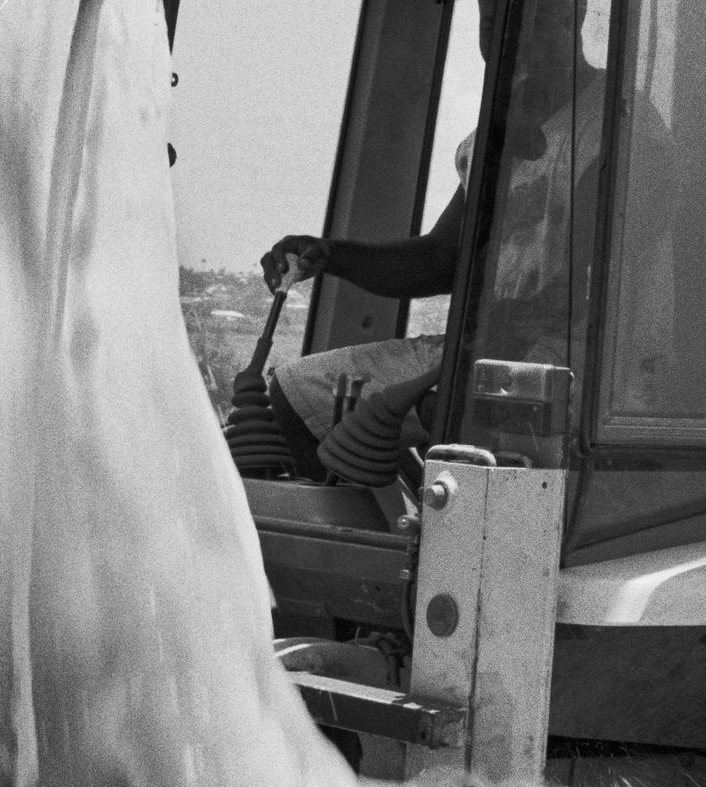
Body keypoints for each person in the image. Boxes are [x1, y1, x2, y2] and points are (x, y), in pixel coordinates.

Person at [256, 0, 624, 474]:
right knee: (296, 394)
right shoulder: (493, 139)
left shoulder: (617, 128)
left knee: (450, 407)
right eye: (492, 24)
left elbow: (597, 278)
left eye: (533, 21)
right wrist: (330, 255)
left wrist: (502, 328)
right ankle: (382, 533)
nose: (509, 41)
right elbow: (441, 258)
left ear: (574, 14)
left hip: (580, 362)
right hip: (488, 343)